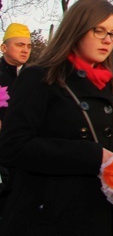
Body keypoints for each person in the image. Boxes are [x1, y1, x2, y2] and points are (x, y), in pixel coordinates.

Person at [0, 0, 113, 234]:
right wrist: (93, 155)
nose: (108, 40)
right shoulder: (39, 78)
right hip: (47, 215)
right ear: (76, 29)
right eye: (99, 31)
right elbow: (12, 146)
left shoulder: (105, 83)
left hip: (96, 214)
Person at [0, 22, 32, 214]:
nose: (25, 50)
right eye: (19, 45)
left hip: (21, 156)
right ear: (4, 47)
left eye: (28, 46)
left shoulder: (31, 77)